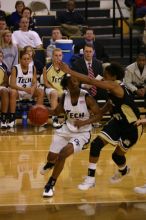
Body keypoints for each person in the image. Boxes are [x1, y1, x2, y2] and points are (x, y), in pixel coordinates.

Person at [59, 62, 143, 190]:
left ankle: (124, 170)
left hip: (132, 127)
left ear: (113, 77)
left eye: (105, 76)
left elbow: (90, 80)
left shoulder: (115, 86)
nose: (103, 78)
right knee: (96, 144)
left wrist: (69, 71)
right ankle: (90, 179)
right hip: (117, 123)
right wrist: (86, 120)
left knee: (116, 156)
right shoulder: (112, 93)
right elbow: (101, 112)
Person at [41, 73, 103, 197]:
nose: (75, 82)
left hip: (83, 133)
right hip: (66, 130)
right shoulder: (64, 97)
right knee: (51, 157)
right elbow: (56, 111)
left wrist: (85, 122)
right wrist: (40, 109)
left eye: (76, 80)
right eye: (71, 81)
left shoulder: (86, 97)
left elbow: (99, 115)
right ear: (66, 84)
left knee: (63, 154)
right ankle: (51, 163)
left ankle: (50, 184)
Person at [9, 50, 44, 128]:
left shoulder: (33, 68)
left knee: (40, 92)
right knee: (12, 92)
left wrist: (33, 88)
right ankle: (12, 117)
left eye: (28, 59)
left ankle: (37, 117)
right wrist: (24, 89)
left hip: (29, 91)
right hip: (19, 91)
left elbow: (34, 82)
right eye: (24, 59)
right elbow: (12, 84)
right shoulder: (15, 68)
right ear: (20, 59)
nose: (26, 61)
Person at [43, 48, 65, 128]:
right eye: (56, 55)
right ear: (52, 56)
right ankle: (55, 118)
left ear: (62, 56)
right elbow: (45, 82)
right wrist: (54, 89)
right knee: (54, 93)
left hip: (62, 89)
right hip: (50, 89)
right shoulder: (47, 67)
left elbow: (68, 82)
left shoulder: (65, 67)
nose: (58, 57)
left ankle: (68, 120)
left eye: (60, 55)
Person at [0, 50, 9, 128]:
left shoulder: (4, 66)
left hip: (0, 87)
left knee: (5, 91)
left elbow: (6, 82)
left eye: (1, 56)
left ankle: (3, 118)